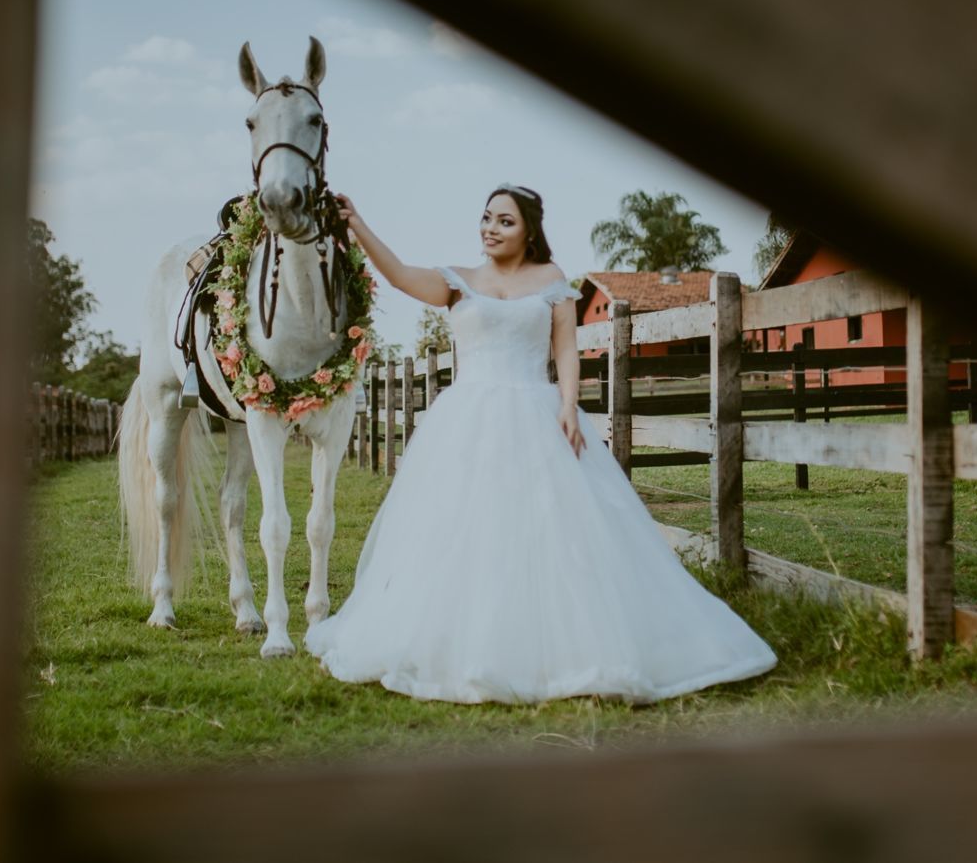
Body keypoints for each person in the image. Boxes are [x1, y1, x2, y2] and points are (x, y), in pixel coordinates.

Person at [304, 184, 777, 704]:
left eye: (505, 221)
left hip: (537, 411)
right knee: (462, 531)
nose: (490, 228)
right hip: (467, 422)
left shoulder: (552, 281)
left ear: (529, 230)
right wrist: (357, 224)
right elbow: (396, 272)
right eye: (486, 217)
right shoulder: (457, 282)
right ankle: (464, 640)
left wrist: (568, 406)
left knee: (558, 532)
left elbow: (567, 349)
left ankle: (570, 644)